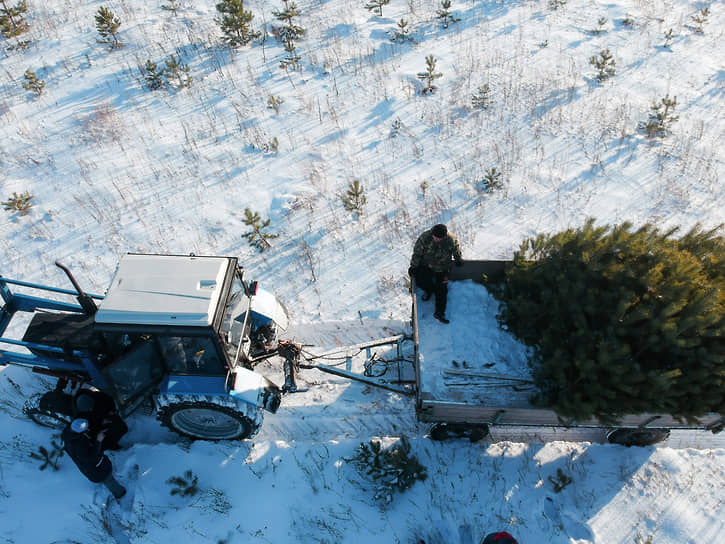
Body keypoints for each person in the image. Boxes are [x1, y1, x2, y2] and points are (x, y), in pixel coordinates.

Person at [408, 223, 463, 324]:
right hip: (427, 266)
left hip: (442, 268)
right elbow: (417, 253)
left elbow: (456, 249)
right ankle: (429, 290)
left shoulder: (450, 240)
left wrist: (458, 259)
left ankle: (439, 313)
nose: (437, 240)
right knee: (419, 278)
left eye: (439, 238)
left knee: (442, 290)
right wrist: (413, 266)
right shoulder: (425, 238)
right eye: (435, 237)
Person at [62, 418, 126, 499]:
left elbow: (89, 428)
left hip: (97, 465)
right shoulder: (77, 446)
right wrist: (98, 441)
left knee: (107, 478)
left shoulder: (70, 432)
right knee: (108, 479)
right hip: (96, 469)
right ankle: (120, 494)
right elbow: (91, 457)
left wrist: (101, 423)